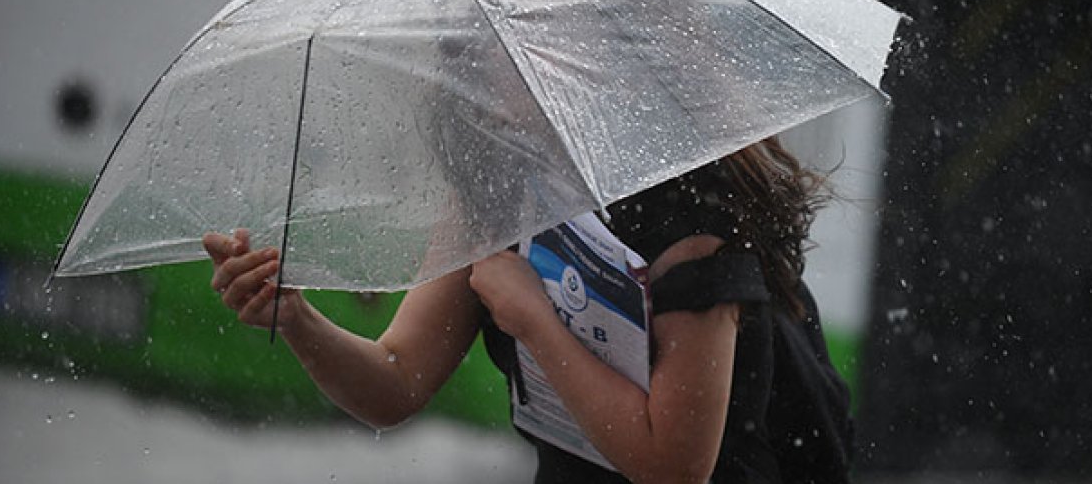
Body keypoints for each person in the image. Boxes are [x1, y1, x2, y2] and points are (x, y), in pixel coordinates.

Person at [205, 136, 854, 483]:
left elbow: (672, 467)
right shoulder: (497, 191)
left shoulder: (692, 222)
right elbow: (395, 379)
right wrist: (294, 317)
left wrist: (534, 320)